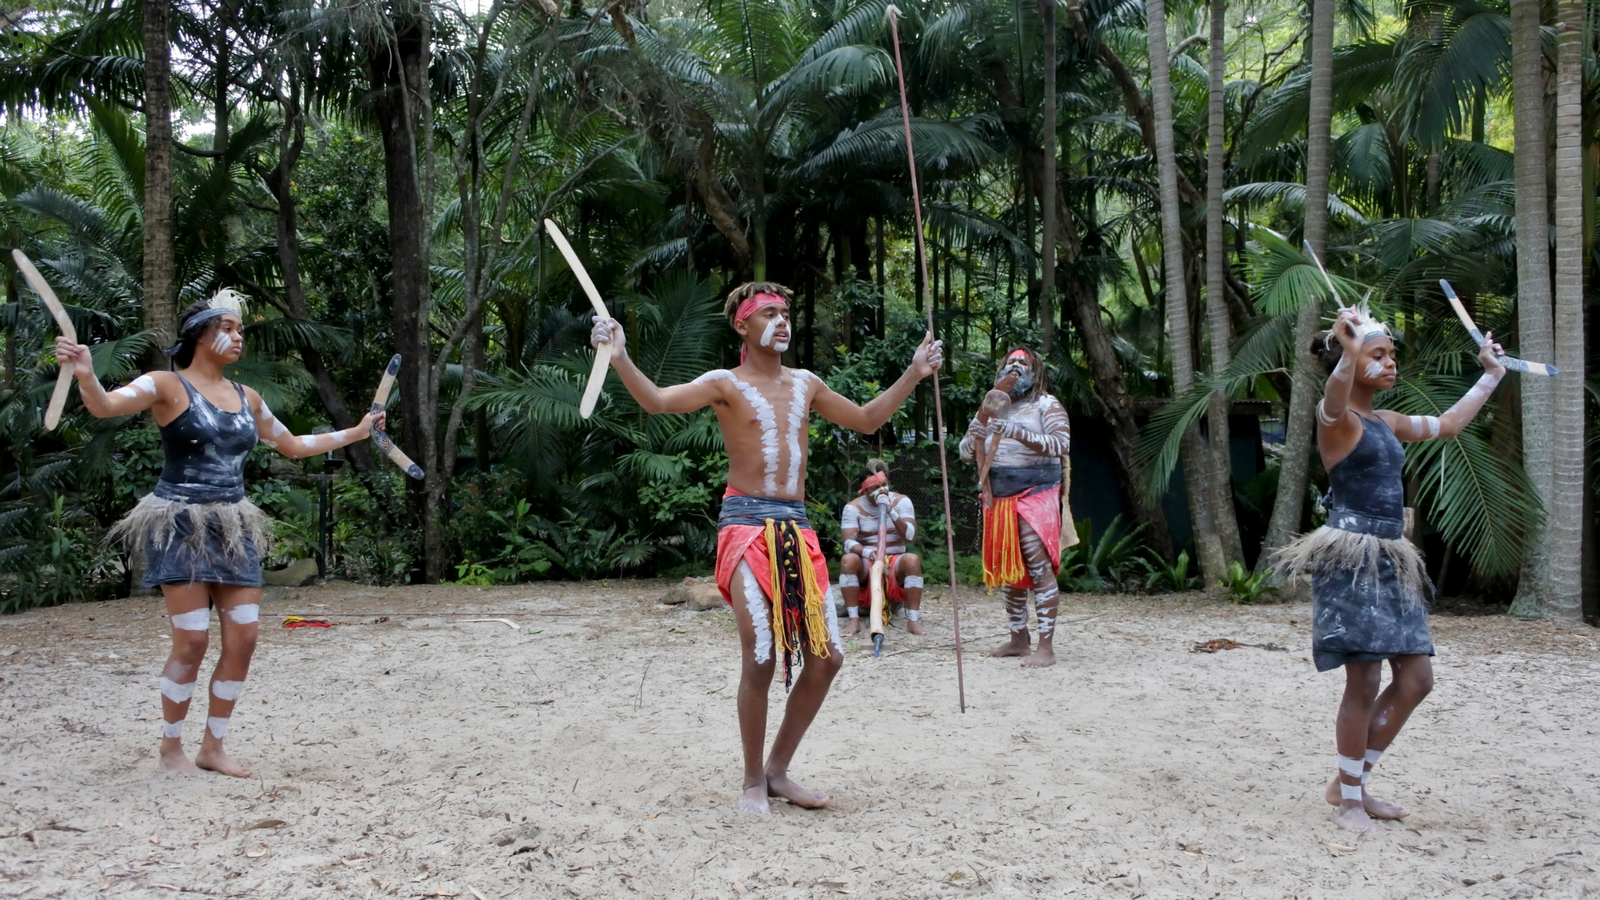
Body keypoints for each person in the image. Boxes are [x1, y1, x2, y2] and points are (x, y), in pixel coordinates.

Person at [589, 281, 941, 814]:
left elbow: (868, 419)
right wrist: (619, 355)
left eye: (786, 312)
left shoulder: (807, 384)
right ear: (743, 326)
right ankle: (752, 779)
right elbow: (657, 401)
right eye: (769, 313)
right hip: (745, 528)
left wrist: (915, 372)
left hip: (796, 533)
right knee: (761, 654)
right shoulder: (723, 383)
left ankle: (777, 771)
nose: (782, 321)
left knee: (827, 658)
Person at [54, 290, 384, 778]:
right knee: (191, 642)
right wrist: (84, 372)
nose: (237, 338)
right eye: (226, 329)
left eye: (241, 331)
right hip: (180, 523)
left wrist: (356, 433)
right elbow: (105, 406)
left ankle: (213, 747)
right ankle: (170, 749)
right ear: (199, 336)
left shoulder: (248, 398)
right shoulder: (165, 384)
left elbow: (291, 445)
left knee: (244, 638)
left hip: (234, 527)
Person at [1274, 305, 1505, 834]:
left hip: (1391, 558)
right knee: (1364, 680)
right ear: (1352, 361)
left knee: (1417, 678)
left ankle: (1349, 781)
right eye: (1378, 355)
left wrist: (1489, 376)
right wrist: (1349, 354)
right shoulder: (1337, 421)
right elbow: (1332, 398)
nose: (1390, 364)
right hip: (1351, 560)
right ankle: (1350, 800)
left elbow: (1447, 425)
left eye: (1391, 355)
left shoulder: (1388, 422)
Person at [958, 347, 1071, 668]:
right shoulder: (991, 407)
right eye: (1011, 362)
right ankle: (1019, 640)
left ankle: (1045, 648)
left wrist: (1016, 432)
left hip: (1037, 494)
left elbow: (1061, 445)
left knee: (1037, 566)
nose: (1016, 366)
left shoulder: (1046, 404)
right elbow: (966, 451)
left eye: (1023, 363)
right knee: (1009, 570)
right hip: (999, 499)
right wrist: (974, 436)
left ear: (1035, 372)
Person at [838, 460, 925, 638]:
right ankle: (854, 619)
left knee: (913, 560)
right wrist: (869, 554)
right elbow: (848, 542)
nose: (882, 490)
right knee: (848, 560)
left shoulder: (902, 502)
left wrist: (891, 511)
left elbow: (910, 536)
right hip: (867, 560)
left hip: (895, 560)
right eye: (875, 487)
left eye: (884, 485)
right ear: (865, 490)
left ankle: (913, 620)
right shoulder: (853, 508)